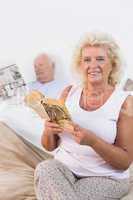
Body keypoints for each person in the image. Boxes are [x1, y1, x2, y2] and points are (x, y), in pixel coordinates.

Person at [34, 32, 133, 200]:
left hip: (106, 178)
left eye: (100, 59)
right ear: (80, 65)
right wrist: (48, 130)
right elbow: (50, 147)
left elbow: (124, 162)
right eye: (87, 60)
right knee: (44, 169)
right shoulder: (68, 93)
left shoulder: (125, 102)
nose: (92, 65)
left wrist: (93, 142)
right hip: (64, 170)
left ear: (113, 64)